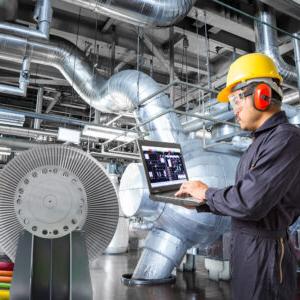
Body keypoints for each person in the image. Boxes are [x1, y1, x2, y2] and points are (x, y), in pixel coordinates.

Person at [175, 53, 300, 300]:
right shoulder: (260, 142)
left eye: (236, 99)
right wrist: (203, 201)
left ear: (262, 95)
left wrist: (206, 192)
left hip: (266, 256)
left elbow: (249, 202)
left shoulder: (286, 139)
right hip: (248, 250)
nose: (234, 110)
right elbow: (247, 195)